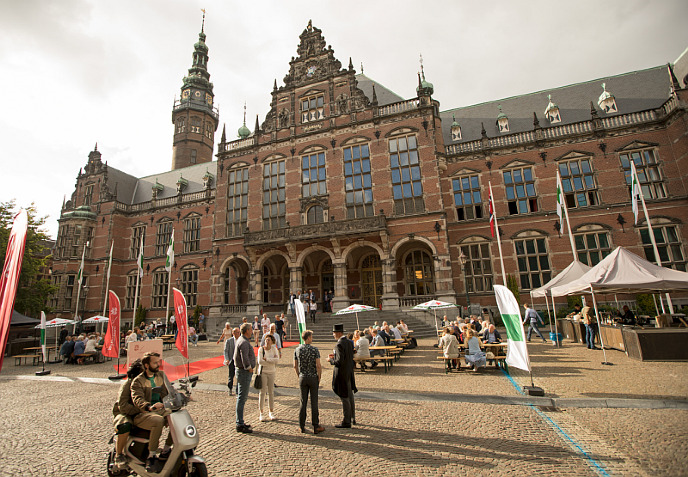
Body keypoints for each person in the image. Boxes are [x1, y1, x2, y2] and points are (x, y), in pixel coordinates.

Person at [130, 352, 172, 472]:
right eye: (155, 363)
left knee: (176, 418)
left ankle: (166, 449)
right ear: (147, 365)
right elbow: (137, 399)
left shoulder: (161, 375)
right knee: (158, 421)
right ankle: (152, 455)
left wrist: (180, 397)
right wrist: (149, 406)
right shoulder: (138, 381)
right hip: (144, 413)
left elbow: (169, 391)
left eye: (158, 362)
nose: (158, 365)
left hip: (161, 409)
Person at [111, 359, 145, 470]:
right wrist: (139, 410)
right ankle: (119, 455)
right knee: (125, 425)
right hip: (125, 413)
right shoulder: (128, 384)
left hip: (140, 411)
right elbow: (123, 405)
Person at [294, 330, 325, 434]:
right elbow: (318, 365)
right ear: (308, 338)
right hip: (313, 377)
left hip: (303, 377)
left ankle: (301, 426)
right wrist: (319, 377)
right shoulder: (314, 350)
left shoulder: (297, 349)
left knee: (303, 401)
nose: (312, 339)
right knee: (314, 402)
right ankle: (315, 425)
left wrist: (299, 375)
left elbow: (295, 365)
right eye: (311, 337)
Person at [328, 323, 357, 428]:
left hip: (342, 374)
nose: (333, 335)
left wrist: (330, 360)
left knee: (344, 396)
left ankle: (346, 421)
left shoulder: (339, 344)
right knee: (350, 396)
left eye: (334, 333)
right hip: (349, 372)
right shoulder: (350, 342)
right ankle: (352, 417)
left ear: (338, 333)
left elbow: (339, 361)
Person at [233, 323, 256, 433]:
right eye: (251, 329)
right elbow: (244, 357)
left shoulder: (241, 340)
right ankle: (239, 424)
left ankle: (240, 421)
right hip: (244, 372)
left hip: (241, 371)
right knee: (242, 398)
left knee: (241, 397)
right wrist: (249, 367)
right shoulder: (244, 342)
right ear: (247, 331)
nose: (252, 331)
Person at [258, 334, 280, 422]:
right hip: (263, 372)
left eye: (269, 340)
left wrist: (267, 359)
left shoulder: (274, 349)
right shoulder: (261, 349)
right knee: (262, 392)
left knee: (271, 392)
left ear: (272, 341)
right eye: (266, 339)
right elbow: (260, 361)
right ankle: (261, 413)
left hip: (272, 372)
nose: (267, 341)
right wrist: (271, 360)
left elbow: (277, 360)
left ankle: (271, 411)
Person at [223, 327, 241, 395]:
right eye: (237, 332)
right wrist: (227, 359)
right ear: (233, 333)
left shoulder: (241, 340)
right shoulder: (229, 341)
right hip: (232, 360)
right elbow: (226, 351)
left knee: (239, 376)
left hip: (239, 361)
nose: (238, 334)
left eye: (239, 332)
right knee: (231, 376)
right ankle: (230, 388)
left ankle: (237, 391)